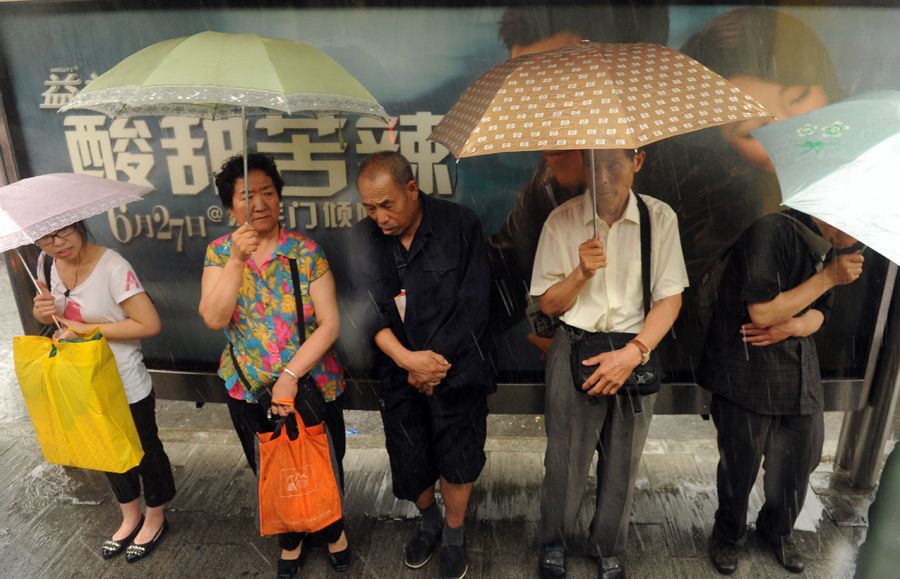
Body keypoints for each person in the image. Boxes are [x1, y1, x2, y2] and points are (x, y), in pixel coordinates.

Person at [530, 148, 688, 579]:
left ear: (638, 162)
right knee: (564, 459)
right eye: (594, 165)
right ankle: (553, 543)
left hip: (634, 349)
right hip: (573, 345)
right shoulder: (562, 220)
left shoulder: (659, 219)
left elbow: (670, 298)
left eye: (614, 165)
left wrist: (634, 352)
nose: (603, 177)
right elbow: (547, 303)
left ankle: (608, 547)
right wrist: (581, 272)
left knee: (623, 459)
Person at [198, 153, 349, 579]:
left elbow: (330, 322)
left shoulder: (305, 252)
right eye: (247, 196)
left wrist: (289, 377)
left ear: (280, 199)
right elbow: (213, 317)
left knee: (324, 459)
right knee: (270, 466)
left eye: (268, 192)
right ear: (230, 207)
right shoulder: (219, 253)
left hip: (311, 384)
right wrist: (235, 262)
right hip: (249, 388)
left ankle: (333, 527)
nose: (260, 202)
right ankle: (291, 537)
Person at [349, 151, 495, 579]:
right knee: (410, 458)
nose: (379, 217)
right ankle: (428, 520)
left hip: (460, 368)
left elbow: (476, 304)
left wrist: (435, 363)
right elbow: (367, 309)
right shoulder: (364, 239)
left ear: (412, 189)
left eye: (387, 204)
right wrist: (409, 360)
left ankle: (453, 532)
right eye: (370, 208)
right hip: (399, 371)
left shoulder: (459, 225)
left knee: (458, 457)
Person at [698, 210, 864, 575]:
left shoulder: (830, 248)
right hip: (745, 364)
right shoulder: (772, 231)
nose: (859, 243)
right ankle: (728, 534)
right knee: (740, 463)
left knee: (801, 455)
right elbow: (761, 313)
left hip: (797, 364)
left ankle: (777, 529)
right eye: (855, 230)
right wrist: (828, 278)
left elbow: (822, 312)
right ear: (834, 216)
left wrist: (794, 326)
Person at [489, 4, 669, 337]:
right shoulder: (545, 186)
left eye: (559, 78)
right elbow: (508, 279)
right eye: (530, 82)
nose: (542, 104)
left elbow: (676, 299)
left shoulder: (678, 179)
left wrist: (635, 351)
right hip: (575, 354)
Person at [31, 220, 175, 563]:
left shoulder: (113, 266)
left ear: (79, 224)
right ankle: (130, 514)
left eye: (63, 231)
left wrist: (84, 329)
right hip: (84, 378)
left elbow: (149, 324)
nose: (57, 243)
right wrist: (43, 311)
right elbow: (62, 321)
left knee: (143, 449)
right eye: (47, 237)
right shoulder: (48, 263)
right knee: (106, 449)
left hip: (123, 380)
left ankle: (155, 515)